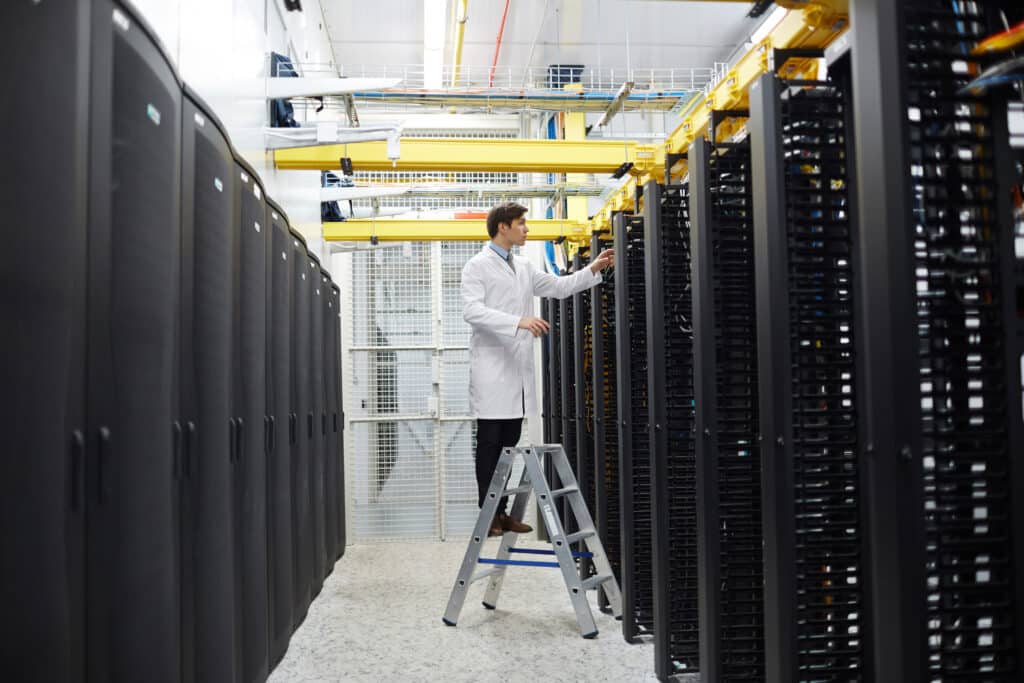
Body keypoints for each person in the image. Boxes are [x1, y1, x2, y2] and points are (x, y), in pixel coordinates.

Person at [461, 202, 614, 537]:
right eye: (522, 223)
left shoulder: (524, 266)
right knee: (490, 444)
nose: (527, 229)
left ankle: (500, 514)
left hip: (516, 372)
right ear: (503, 227)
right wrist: (518, 321)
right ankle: (488, 516)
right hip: (492, 369)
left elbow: (558, 288)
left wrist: (592, 269)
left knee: (510, 443)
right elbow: (471, 311)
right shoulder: (477, 266)